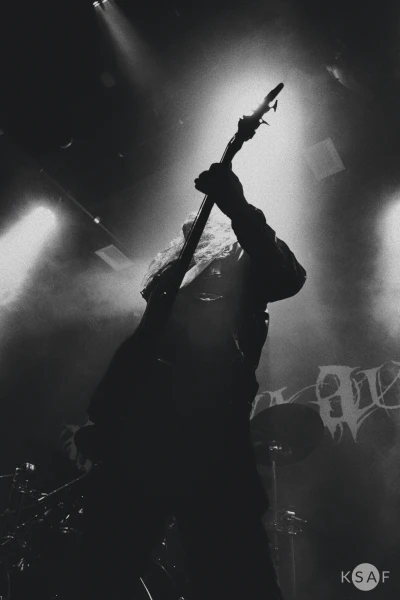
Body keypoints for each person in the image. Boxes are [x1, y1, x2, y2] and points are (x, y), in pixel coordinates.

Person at [77, 163, 306, 600]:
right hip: (140, 431)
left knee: (236, 574)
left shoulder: (241, 256)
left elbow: (287, 277)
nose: (190, 226)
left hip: (209, 427)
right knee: (105, 571)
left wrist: (238, 208)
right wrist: (103, 416)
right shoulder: (175, 274)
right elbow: (141, 344)